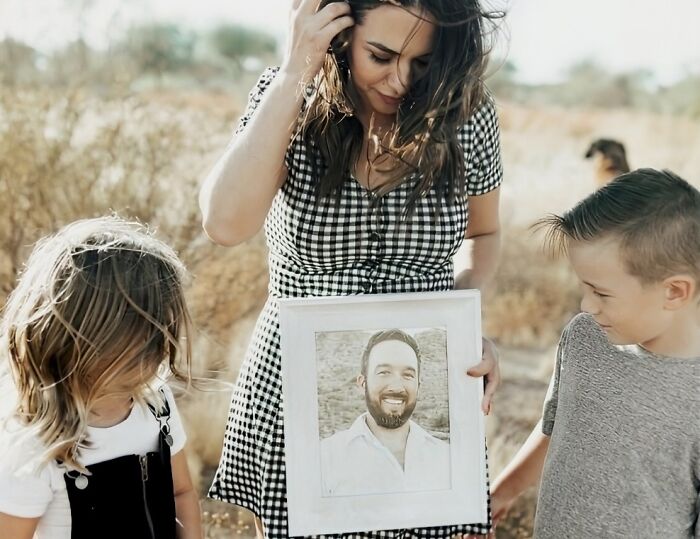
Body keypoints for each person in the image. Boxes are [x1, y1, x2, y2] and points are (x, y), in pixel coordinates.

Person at [200, 0, 504, 536]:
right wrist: (296, 72)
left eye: (423, 63)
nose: (400, 81)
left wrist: (462, 322)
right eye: (380, 55)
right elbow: (224, 223)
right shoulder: (288, 94)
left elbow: (484, 233)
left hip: (420, 381)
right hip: (295, 382)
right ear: (339, 31)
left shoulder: (468, 114)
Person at [489, 169, 700, 538]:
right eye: (583, 287)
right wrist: (504, 491)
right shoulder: (585, 337)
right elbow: (558, 425)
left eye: (601, 293)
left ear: (675, 292)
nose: (586, 306)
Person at [0, 217, 203, 539]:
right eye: (152, 332)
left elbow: (181, 494)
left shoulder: (157, 404)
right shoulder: (36, 442)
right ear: (88, 337)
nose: (163, 347)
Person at [320, 329, 450, 496]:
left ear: (419, 385)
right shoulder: (325, 458)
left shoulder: (445, 458)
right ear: (362, 383)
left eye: (408, 375)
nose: (396, 386)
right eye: (384, 372)